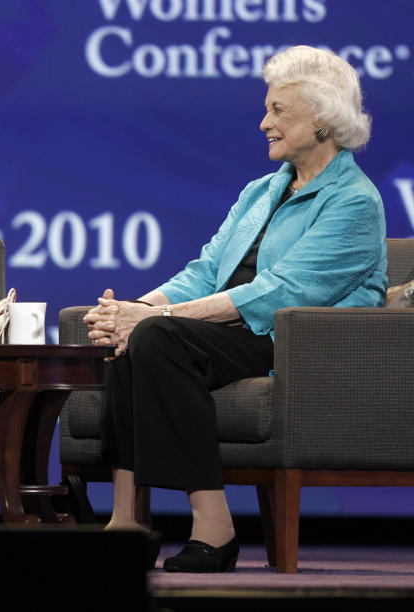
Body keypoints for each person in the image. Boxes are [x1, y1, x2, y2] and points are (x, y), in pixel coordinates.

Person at [85, 45, 387, 573]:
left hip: (295, 341)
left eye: (278, 110)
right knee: (129, 340)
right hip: (233, 330)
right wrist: (135, 309)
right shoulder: (261, 191)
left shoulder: (354, 201)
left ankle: (215, 525)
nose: (264, 122)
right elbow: (204, 271)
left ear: (322, 119)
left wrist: (158, 320)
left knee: (156, 337)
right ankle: (127, 522)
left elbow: (284, 291)